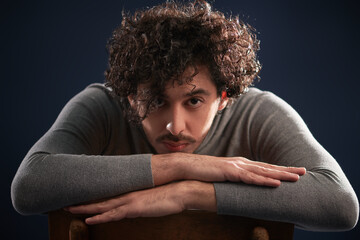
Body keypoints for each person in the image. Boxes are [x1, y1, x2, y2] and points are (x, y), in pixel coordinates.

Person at [11, 0, 358, 231]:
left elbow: (340, 204)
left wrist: (189, 193)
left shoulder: (258, 112)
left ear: (223, 98)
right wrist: (179, 166)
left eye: (193, 101)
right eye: (156, 100)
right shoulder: (101, 105)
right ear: (131, 97)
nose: (174, 126)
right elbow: (28, 186)